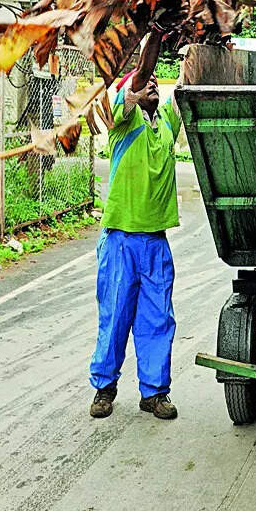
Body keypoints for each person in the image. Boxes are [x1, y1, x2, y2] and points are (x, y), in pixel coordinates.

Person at [88, 30, 183, 420]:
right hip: (121, 240)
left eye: (157, 82)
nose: (152, 84)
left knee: (158, 319)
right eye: (145, 83)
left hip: (155, 242)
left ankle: (154, 393)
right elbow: (143, 71)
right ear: (131, 92)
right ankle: (104, 388)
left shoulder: (166, 124)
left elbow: (189, 82)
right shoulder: (122, 122)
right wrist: (156, 31)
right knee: (115, 317)